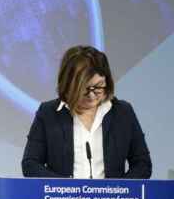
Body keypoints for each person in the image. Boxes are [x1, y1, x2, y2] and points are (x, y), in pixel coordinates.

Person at [22, 45, 151, 178]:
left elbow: (142, 164)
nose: (92, 95)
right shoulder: (48, 113)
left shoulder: (123, 112)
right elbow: (30, 164)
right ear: (68, 84)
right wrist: (64, 188)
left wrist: (118, 190)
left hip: (112, 198)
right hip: (63, 197)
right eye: (85, 89)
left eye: (99, 86)